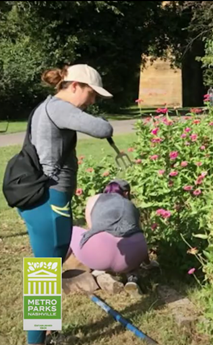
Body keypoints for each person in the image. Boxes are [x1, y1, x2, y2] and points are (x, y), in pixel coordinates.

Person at [14, 64, 114, 345]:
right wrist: (101, 119)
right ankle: (37, 340)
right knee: (44, 272)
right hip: (49, 199)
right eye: (92, 94)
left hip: (49, 198)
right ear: (74, 86)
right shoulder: (59, 108)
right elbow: (102, 127)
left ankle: (46, 331)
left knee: (48, 265)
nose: (92, 101)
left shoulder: (50, 107)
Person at [68, 179, 157, 295]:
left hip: (101, 256)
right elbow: (138, 232)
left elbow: (92, 230)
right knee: (130, 242)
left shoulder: (94, 199)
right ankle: (132, 277)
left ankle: (51, 278)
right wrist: (147, 262)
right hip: (132, 256)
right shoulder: (131, 205)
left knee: (71, 230)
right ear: (126, 193)